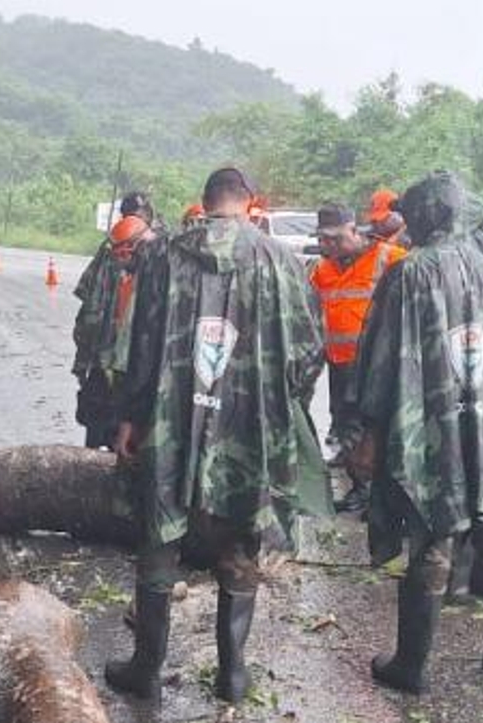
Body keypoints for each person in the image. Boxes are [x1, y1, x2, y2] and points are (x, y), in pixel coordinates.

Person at [107, 167, 328, 709]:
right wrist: (284, 406)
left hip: (170, 416)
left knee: (160, 533)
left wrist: (131, 417)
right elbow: (307, 350)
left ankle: (147, 670)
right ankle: (232, 675)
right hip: (250, 423)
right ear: (250, 204)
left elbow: (139, 345)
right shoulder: (281, 261)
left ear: (205, 203)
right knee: (241, 536)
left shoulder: (163, 255)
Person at [349, 171, 483, 693]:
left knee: (432, 537)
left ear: (424, 216)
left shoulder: (413, 273)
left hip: (430, 426)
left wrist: (367, 434)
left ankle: (411, 666)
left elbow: (382, 362)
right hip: (475, 419)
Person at [310, 203, 406, 513]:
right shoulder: (322, 269)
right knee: (347, 428)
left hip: (379, 364)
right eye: (324, 239)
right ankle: (362, 489)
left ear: (355, 230)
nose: (329, 245)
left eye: (336, 238)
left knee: (380, 428)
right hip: (340, 364)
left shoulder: (389, 258)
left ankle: (390, 494)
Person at [71, 191, 158, 448]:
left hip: (122, 360)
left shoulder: (152, 252)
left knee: (116, 430)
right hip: (114, 359)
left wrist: (83, 357)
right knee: (105, 426)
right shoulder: (119, 244)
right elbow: (92, 306)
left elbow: (89, 306)